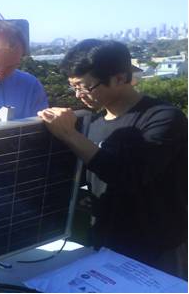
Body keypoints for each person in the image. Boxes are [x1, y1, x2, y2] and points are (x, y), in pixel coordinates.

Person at [38, 39, 187, 279]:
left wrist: (69, 134)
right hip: (106, 243)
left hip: (158, 248)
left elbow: (130, 176)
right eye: (74, 87)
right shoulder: (90, 122)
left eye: (85, 87)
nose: (79, 95)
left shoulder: (163, 118)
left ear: (119, 78)